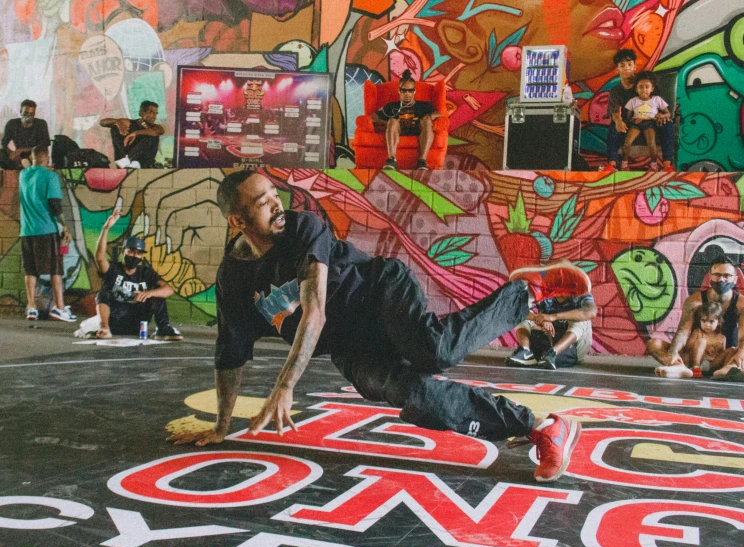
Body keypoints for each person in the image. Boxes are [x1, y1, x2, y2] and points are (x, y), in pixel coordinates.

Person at [168, 168, 593, 484]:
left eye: (274, 193)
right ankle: (541, 427)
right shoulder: (234, 279)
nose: (278, 203)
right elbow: (230, 351)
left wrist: (284, 386)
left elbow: (315, 309)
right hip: (349, 344)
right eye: (263, 201)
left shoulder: (304, 228)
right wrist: (222, 427)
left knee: (436, 350)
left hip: (378, 293)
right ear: (238, 221)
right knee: (416, 396)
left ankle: (527, 292)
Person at [82, 210, 183, 340]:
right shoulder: (114, 269)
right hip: (115, 319)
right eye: (131, 252)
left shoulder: (145, 273)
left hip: (137, 321)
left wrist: (149, 293)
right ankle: (104, 328)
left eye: (138, 253)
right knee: (103, 293)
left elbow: (169, 290)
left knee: (158, 294)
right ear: (123, 251)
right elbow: (100, 257)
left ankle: (163, 329)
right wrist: (106, 228)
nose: (134, 256)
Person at [648, 255, 744, 377]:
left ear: (735, 279)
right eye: (717, 275)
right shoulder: (694, 301)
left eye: (727, 276)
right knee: (654, 343)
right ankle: (678, 367)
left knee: (740, 351)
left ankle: (730, 369)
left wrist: (741, 352)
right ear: (710, 276)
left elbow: (743, 337)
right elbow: (683, 331)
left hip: (722, 356)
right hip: (693, 355)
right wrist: (673, 351)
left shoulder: (741, 304)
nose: (721, 280)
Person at [19, 145, 76, 322]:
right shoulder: (50, 176)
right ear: (48, 157)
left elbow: (28, 166)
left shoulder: (24, 174)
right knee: (55, 270)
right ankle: (59, 308)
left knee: (31, 271)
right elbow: (55, 205)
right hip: (47, 229)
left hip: (27, 230)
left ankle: (31, 307)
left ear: (32, 156)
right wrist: (65, 226)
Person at [605, 49, 675, 171]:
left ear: (634, 67)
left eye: (629, 64)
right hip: (631, 122)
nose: (626, 68)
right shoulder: (615, 91)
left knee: (667, 124)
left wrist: (661, 115)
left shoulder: (644, 82)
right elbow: (614, 111)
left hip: (652, 120)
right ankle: (612, 164)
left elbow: (657, 101)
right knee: (613, 127)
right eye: (622, 65)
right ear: (617, 69)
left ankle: (667, 166)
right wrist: (619, 121)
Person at [506, 293, 597, 369]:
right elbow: (514, 308)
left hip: (573, 349)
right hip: (548, 340)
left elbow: (591, 312)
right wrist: (540, 319)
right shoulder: (543, 291)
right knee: (523, 315)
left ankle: (553, 354)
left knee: (583, 319)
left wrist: (552, 317)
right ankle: (525, 351)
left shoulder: (580, 293)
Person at [374, 70, 442, 170]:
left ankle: (422, 161)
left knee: (427, 121)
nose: (407, 94)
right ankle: (391, 160)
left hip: (418, 129)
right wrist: (387, 123)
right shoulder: (392, 106)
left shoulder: (424, 105)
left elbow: (440, 113)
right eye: (404, 90)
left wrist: (430, 116)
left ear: (414, 91)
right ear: (399, 91)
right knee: (393, 120)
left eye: (410, 91)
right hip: (399, 131)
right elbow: (373, 117)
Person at [654, 301, 733, 378]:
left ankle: (725, 371)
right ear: (700, 320)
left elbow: (722, 355)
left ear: (718, 322)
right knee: (702, 341)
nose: (707, 325)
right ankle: (696, 369)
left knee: (732, 350)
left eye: (711, 321)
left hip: (711, 365)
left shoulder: (722, 338)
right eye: (704, 320)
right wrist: (701, 346)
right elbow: (688, 348)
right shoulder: (697, 332)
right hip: (695, 362)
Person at [621, 72, 671, 171]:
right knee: (627, 142)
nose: (644, 90)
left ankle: (653, 165)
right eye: (641, 87)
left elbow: (668, 114)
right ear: (636, 89)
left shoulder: (656, 99)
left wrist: (662, 115)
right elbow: (627, 116)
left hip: (650, 123)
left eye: (647, 87)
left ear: (652, 88)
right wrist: (631, 120)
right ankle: (624, 164)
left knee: (651, 143)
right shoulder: (633, 101)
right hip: (637, 124)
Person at [99, 101, 165, 169]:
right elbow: (102, 122)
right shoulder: (129, 123)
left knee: (151, 134)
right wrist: (116, 121)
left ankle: (129, 160)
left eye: (156, 113)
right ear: (141, 113)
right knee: (115, 127)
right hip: (124, 158)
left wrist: (136, 133)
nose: (154, 116)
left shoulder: (156, 127)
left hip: (143, 163)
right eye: (151, 112)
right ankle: (124, 160)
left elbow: (160, 131)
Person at [1, 100, 51, 169]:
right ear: (21, 111)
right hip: (18, 155)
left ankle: (25, 166)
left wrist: (21, 150)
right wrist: (11, 153)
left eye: (32, 114)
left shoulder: (41, 124)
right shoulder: (12, 123)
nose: (29, 116)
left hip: (34, 155)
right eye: (26, 113)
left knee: (40, 156)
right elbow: (4, 142)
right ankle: (19, 166)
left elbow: (45, 143)